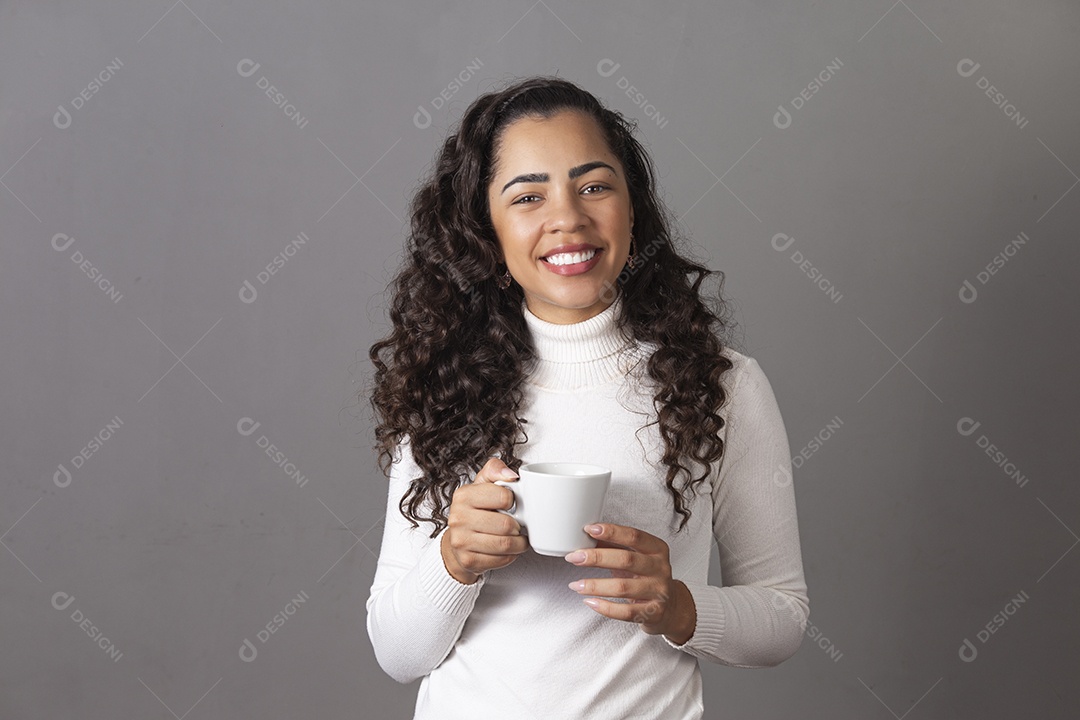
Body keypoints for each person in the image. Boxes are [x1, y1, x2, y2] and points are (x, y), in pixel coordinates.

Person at [365, 75, 809, 719]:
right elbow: (396, 653)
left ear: (633, 209)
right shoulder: (443, 387)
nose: (567, 218)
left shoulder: (721, 385)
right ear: (484, 230)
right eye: (527, 196)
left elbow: (782, 618)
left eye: (594, 186)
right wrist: (452, 562)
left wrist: (678, 605)